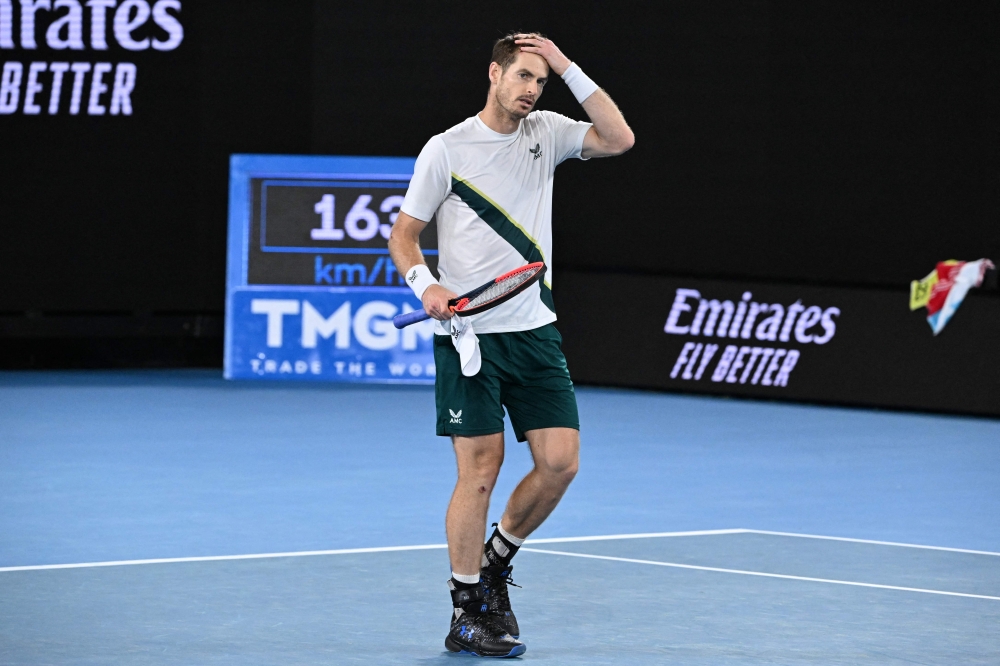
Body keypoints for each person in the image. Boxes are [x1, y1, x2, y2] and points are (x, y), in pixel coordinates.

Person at [388, 32, 634, 657]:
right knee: (481, 472)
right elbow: (405, 235)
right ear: (494, 73)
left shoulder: (547, 132)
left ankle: (496, 562)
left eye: (540, 80)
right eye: (522, 76)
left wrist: (567, 65)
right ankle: (467, 610)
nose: (531, 89)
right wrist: (426, 285)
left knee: (560, 465)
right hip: (469, 338)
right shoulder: (446, 149)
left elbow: (619, 137)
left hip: (535, 332)